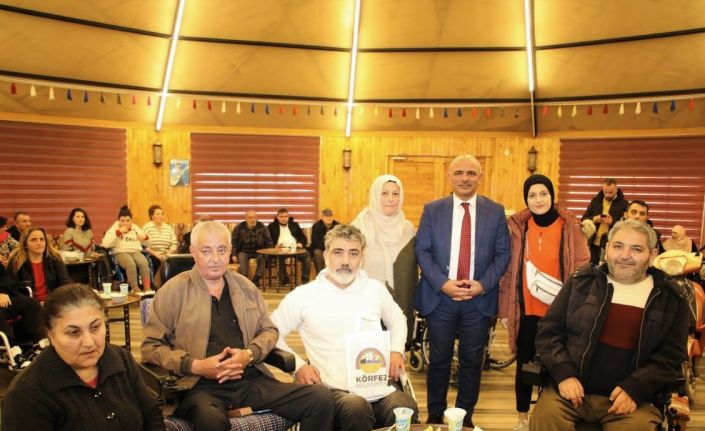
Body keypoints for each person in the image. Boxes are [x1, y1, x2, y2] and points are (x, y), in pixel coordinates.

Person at [141, 221, 334, 431]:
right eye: (206, 251)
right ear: (193, 252)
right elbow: (151, 348)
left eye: (221, 250)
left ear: (230, 251)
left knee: (320, 398)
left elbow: (269, 331)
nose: (215, 259)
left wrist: (249, 354)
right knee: (211, 421)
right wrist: (196, 365)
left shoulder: (246, 287)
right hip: (198, 386)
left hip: (249, 380)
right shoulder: (172, 292)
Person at [530, 220, 689, 431]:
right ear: (606, 250)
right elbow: (548, 334)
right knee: (545, 419)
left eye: (636, 249)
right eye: (618, 246)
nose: (625, 255)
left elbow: (671, 357)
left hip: (634, 399)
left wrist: (636, 388)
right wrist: (563, 373)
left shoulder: (671, 299)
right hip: (570, 392)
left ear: (652, 255)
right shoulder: (580, 283)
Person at [272, 224, 418, 431]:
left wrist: (396, 350)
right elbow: (271, 333)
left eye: (353, 253)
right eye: (338, 252)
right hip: (333, 390)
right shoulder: (303, 296)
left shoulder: (375, 290)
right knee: (356, 407)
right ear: (326, 256)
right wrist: (299, 366)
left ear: (362, 258)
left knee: (405, 407)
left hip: (378, 386)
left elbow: (397, 319)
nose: (346, 261)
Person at [415, 154, 511, 429]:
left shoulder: (495, 211)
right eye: (459, 173)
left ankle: (465, 417)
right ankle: (435, 414)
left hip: (477, 300)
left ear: (480, 176)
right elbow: (422, 251)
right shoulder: (432, 210)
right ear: (450, 176)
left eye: (471, 173)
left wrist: (482, 285)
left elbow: (503, 254)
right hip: (440, 298)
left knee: (472, 362)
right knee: (439, 360)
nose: (465, 178)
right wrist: (443, 283)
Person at [1, 283, 164, 431]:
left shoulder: (120, 358)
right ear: (51, 334)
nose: (89, 342)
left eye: (95, 327)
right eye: (74, 332)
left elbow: (151, 415)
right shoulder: (28, 393)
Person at [498, 174, 590, 431]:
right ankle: (522, 418)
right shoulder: (519, 228)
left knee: (557, 363)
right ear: (526, 199)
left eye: (543, 194)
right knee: (525, 365)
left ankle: (547, 415)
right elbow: (508, 272)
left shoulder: (570, 226)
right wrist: (505, 310)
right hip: (527, 309)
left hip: (560, 312)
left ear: (552, 196)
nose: (538, 200)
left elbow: (583, 267)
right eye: (532, 195)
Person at [351, 175, 417, 341]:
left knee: (396, 348)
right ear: (375, 195)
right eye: (384, 193)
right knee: (369, 351)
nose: (390, 199)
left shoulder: (408, 228)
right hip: (367, 303)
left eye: (395, 194)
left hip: (400, 301)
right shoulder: (360, 226)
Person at [7, 227, 71, 302]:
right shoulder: (16, 261)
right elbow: (12, 289)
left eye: (42, 239)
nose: (39, 243)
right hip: (28, 303)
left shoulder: (55, 258)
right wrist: (34, 303)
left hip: (52, 301)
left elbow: (65, 283)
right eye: (33, 240)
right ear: (25, 244)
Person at [101, 205, 153, 295]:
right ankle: (134, 288)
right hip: (120, 252)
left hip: (135, 251)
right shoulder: (114, 228)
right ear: (119, 220)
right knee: (130, 264)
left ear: (131, 220)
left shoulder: (135, 228)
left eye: (128, 220)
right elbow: (105, 243)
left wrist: (145, 237)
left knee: (144, 262)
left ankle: (147, 287)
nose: (125, 223)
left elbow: (147, 243)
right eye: (122, 221)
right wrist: (118, 232)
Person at [581, 178, 629, 265]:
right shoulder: (595, 201)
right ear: (602, 189)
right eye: (605, 192)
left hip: (612, 243)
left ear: (616, 190)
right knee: (591, 268)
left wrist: (612, 222)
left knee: (607, 268)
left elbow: (627, 225)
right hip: (593, 243)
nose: (607, 195)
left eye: (610, 192)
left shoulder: (624, 204)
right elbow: (584, 218)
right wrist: (594, 219)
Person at [0, 263, 42, 346]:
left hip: (3, 300)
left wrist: (2, 291)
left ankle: (33, 344)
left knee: (31, 304)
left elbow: (6, 277)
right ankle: (13, 348)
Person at [267, 208, 312, 285]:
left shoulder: (294, 225)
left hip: (295, 248)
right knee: (279, 258)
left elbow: (302, 237)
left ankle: (305, 280)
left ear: (288, 217)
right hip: (280, 249)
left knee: (307, 255)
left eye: (285, 216)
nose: (283, 219)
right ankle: (285, 280)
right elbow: (268, 239)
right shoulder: (272, 226)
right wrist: (274, 245)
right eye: (281, 216)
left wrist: (301, 243)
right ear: (277, 217)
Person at [230, 210, 273, 286]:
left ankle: (256, 279)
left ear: (256, 218)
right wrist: (234, 254)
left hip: (259, 251)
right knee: (241, 256)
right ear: (245, 218)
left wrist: (268, 252)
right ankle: (245, 279)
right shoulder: (239, 227)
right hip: (244, 250)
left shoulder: (262, 227)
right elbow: (234, 241)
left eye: (254, 217)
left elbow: (269, 241)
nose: (252, 220)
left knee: (263, 258)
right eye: (249, 217)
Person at [142, 204, 178, 275]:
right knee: (155, 261)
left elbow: (174, 244)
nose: (161, 216)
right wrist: (157, 255)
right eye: (158, 214)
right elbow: (144, 245)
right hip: (152, 255)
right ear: (152, 216)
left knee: (175, 263)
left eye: (162, 214)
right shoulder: (147, 227)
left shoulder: (168, 228)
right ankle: (152, 281)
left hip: (167, 255)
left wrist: (168, 254)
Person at [309, 208, 340, 273]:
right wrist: (326, 249)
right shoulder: (316, 226)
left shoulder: (338, 226)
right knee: (317, 252)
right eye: (327, 216)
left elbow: (340, 240)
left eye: (330, 216)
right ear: (322, 217)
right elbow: (315, 242)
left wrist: (332, 249)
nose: (329, 218)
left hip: (334, 248)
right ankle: (320, 274)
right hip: (320, 248)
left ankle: (336, 274)